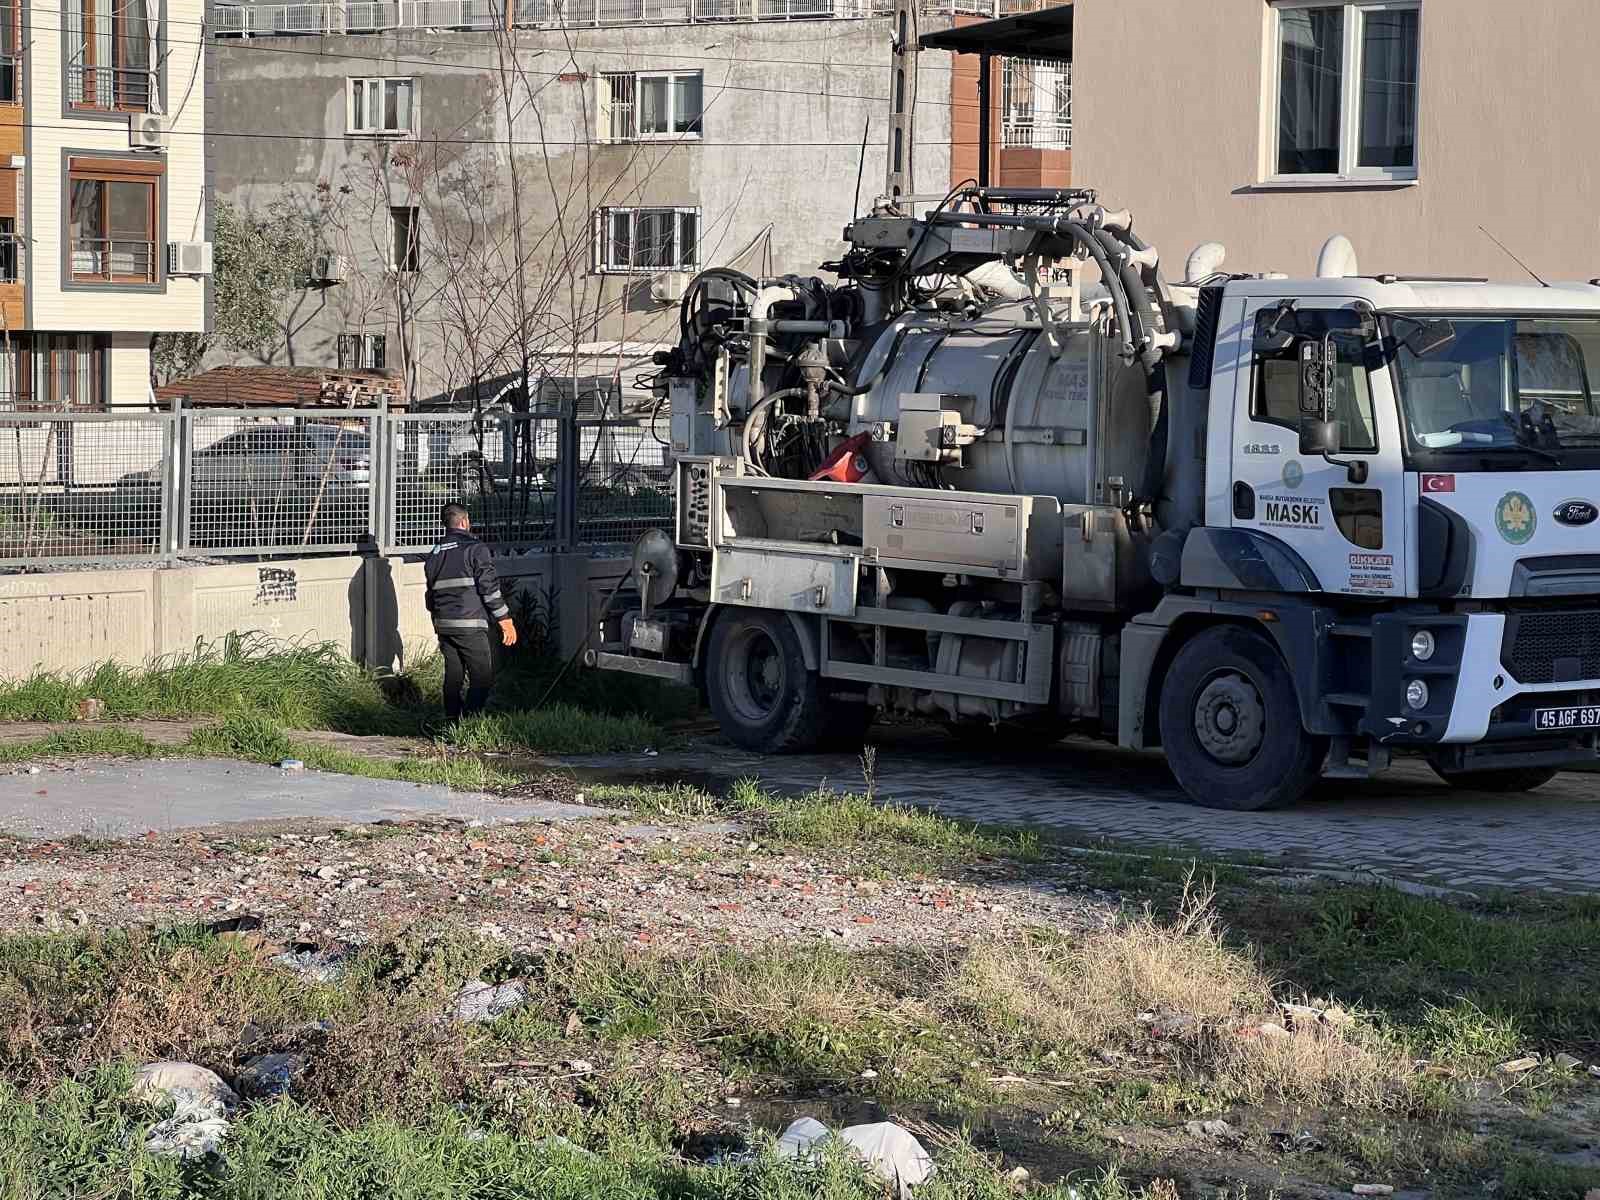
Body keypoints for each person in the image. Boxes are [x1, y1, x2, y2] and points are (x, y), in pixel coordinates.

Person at [425, 503, 517, 722]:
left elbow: (430, 595)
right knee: (483, 677)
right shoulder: (476, 548)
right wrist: (505, 620)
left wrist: (439, 619)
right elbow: (489, 588)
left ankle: (451, 720)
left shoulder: (435, 553)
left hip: (444, 625)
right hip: (470, 623)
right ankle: (470, 720)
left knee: (454, 675)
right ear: (464, 521)